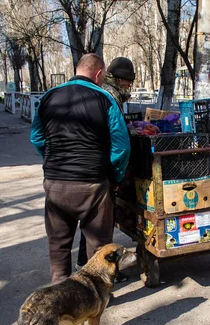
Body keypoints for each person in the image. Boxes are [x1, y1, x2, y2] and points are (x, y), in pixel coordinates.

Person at [30, 53, 131, 285]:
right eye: (104, 74)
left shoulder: (48, 97)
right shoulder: (105, 99)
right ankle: (95, 296)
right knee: (98, 247)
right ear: (98, 73)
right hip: (93, 185)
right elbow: (121, 146)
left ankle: (60, 293)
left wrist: (53, 161)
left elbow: (36, 137)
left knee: (58, 245)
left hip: (56, 184)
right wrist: (115, 176)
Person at [75, 57, 136, 279]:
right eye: (129, 82)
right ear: (120, 79)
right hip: (101, 168)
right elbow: (118, 140)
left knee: (90, 223)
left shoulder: (105, 92)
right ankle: (99, 273)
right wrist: (116, 174)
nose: (130, 86)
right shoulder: (110, 96)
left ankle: (83, 263)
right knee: (99, 225)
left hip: (81, 167)